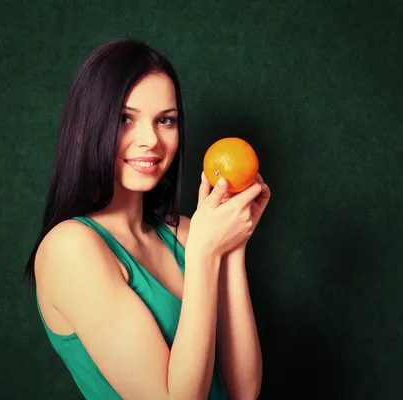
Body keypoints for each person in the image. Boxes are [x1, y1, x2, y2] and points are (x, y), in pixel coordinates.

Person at [24, 37, 271, 400]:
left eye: (165, 121)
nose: (151, 141)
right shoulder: (69, 248)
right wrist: (205, 253)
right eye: (125, 118)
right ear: (83, 128)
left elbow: (244, 392)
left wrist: (231, 248)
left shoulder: (188, 232)